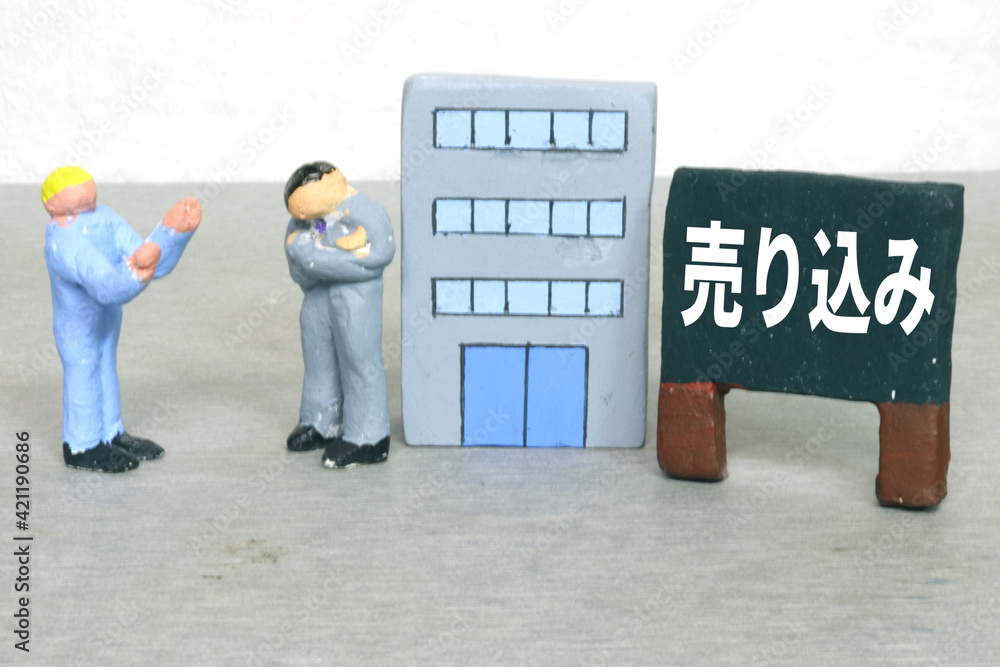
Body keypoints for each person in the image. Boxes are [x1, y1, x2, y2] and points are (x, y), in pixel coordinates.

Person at [42, 166, 201, 472]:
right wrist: (135, 271)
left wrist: (172, 233)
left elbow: (146, 256)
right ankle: (82, 445)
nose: (86, 192)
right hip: (77, 325)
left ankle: (111, 433)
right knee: (84, 371)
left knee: (105, 367)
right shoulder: (62, 240)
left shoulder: (104, 217)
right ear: (52, 205)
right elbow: (104, 285)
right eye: (74, 190)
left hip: (106, 319)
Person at [282, 161, 395, 468]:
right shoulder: (303, 219)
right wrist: (319, 260)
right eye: (299, 213)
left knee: (357, 358)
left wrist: (318, 260)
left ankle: (368, 435)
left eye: (306, 209)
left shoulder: (365, 210)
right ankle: (320, 420)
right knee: (318, 356)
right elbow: (295, 250)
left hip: (355, 296)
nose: (303, 218)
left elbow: (379, 254)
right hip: (317, 293)